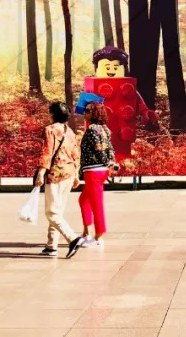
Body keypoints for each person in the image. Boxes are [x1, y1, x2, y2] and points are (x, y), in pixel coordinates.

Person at [34, 102, 82, 258]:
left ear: (53, 114)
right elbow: (76, 154)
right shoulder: (70, 131)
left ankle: (72, 238)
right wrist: (76, 174)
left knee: (51, 212)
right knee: (58, 210)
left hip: (55, 174)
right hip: (69, 173)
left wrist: (41, 172)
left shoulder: (50, 130)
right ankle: (51, 246)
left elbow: (47, 152)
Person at [76, 101, 118, 248]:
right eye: (85, 110)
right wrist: (111, 163)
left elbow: (99, 148)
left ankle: (98, 237)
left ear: (95, 113)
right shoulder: (105, 129)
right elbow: (110, 148)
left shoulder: (92, 129)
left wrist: (107, 162)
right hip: (99, 170)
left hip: (94, 171)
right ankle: (86, 232)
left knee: (96, 204)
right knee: (84, 200)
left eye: (88, 111)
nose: (85, 114)